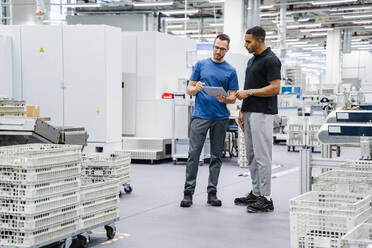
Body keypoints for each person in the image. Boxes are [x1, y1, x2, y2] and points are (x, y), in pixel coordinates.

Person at [180, 34, 239, 208]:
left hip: (220, 118)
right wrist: (195, 88)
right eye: (216, 47)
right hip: (200, 116)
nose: (218, 51)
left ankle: (212, 192)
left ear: (227, 50)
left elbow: (234, 97)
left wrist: (226, 99)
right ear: (212, 46)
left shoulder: (231, 71)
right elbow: (189, 88)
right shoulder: (201, 65)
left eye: (222, 48)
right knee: (193, 155)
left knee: (216, 157)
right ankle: (188, 192)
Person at [235, 26, 281, 213]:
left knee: (263, 157)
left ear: (259, 40)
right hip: (249, 112)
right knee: (252, 156)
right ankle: (256, 192)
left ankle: (266, 198)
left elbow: (275, 88)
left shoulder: (271, 60)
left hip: (263, 113)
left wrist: (250, 93)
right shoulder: (252, 61)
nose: (245, 45)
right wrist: (242, 111)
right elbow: (248, 88)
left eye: (248, 41)